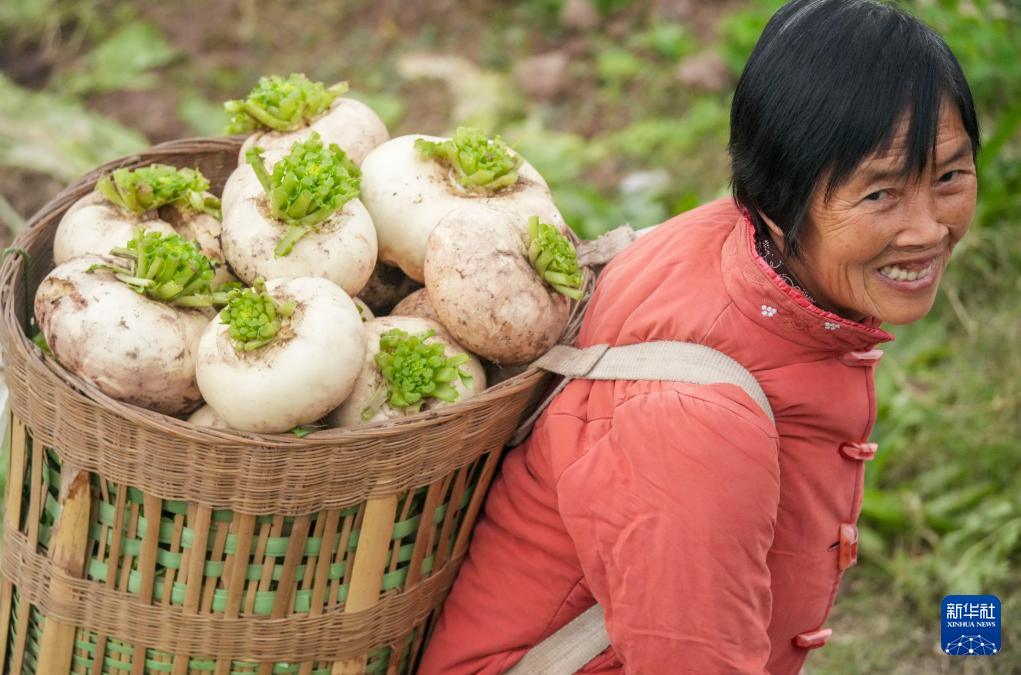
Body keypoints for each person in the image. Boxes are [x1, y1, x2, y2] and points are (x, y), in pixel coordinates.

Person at [418, 0, 980, 672]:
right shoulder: (696, 421)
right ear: (777, 197)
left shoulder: (728, 239)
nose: (928, 229)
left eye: (949, 177)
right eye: (880, 195)